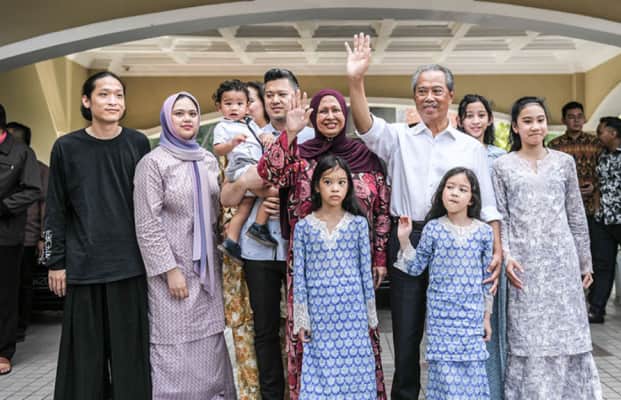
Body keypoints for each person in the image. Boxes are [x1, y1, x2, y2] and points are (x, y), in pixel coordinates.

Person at [345, 33, 502, 399]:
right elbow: (366, 125)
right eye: (422, 91)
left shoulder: (470, 147)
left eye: (437, 91)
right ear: (414, 97)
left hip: (457, 244)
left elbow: (488, 204)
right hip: (408, 237)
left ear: (451, 96)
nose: (429, 97)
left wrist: (497, 248)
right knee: (406, 331)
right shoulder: (398, 137)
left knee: (454, 329)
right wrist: (356, 80)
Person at [257, 88, 389, 399]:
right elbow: (269, 173)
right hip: (310, 265)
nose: (330, 116)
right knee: (309, 336)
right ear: (313, 117)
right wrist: (290, 132)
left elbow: (382, 209)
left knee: (358, 340)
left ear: (346, 115)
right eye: (323, 111)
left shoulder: (366, 156)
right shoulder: (299, 156)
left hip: (354, 266)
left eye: (336, 110)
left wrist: (380, 257)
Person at [44, 72, 152, 399]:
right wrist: (55, 262)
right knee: (85, 359)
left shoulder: (138, 143)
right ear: (86, 101)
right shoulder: (66, 147)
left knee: (130, 357)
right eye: (104, 94)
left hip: (130, 266)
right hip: (83, 265)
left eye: (118, 95)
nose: (113, 101)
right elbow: (55, 207)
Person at [492, 96, 602, 399]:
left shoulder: (564, 163)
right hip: (523, 265)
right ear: (515, 127)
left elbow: (576, 214)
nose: (535, 126)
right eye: (527, 121)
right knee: (528, 334)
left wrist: (584, 261)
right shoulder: (502, 166)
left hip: (561, 261)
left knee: (567, 331)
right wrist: (507, 256)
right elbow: (501, 217)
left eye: (540, 120)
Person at [134, 91, 236, 399]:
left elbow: (218, 212)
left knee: (211, 344)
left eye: (192, 113)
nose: (187, 119)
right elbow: (146, 223)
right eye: (179, 114)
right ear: (167, 119)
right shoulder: (153, 163)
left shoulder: (207, 160)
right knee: (173, 348)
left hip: (207, 272)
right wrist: (169, 270)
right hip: (172, 271)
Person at [219, 68, 310, 400]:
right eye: (269, 94)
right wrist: (250, 182)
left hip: (301, 251)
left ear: (296, 96)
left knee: (305, 327)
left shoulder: (312, 138)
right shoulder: (250, 137)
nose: (274, 100)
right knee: (265, 330)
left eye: (282, 94)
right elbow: (231, 194)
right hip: (258, 251)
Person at [395, 167, 493, 399]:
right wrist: (404, 239)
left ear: (472, 198)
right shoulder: (433, 228)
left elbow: (487, 279)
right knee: (443, 376)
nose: (454, 193)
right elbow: (415, 267)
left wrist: (486, 317)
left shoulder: (484, 232)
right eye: (450, 187)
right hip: (441, 318)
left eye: (462, 189)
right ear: (441, 192)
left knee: (472, 374)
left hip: (471, 317)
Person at [293, 154, 378, 399]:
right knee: (320, 376)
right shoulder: (304, 227)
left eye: (341, 182)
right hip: (319, 316)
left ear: (349, 186)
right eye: (328, 182)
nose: (335, 188)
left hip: (353, 314)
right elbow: (299, 276)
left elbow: (365, 272)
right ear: (316, 186)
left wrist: (370, 314)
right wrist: (302, 318)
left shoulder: (358, 224)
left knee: (355, 374)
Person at [456, 94, 506, 399]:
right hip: (460, 247)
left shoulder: (500, 158)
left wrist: (501, 247)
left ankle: (493, 390)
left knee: (492, 321)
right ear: (460, 120)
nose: (475, 121)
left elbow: (502, 207)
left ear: (489, 120)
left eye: (481, 115)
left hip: (492, 246)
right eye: (469, 115)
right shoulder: (454, 152)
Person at [212, 79, 277, 262]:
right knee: (274, 191)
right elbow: (218, 149)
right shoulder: (223, 126)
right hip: (242, 166)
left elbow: (261, 135)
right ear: (219, 107)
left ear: (247, 106)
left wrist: (266, 136)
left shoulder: (249, 123)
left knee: (246, 205)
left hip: (253, 166)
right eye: (228, 103)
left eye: (239, 104)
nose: (234, 108)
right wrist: (232, 143)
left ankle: (231, 241)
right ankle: (258, 226)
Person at [0, 105, 41, 376]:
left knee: (4, 295)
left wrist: (3, 207)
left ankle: (3, 351)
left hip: (6, 236)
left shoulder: (21, 152)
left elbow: (33, 190)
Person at [7, 121, 50, 343]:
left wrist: (43, 236)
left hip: (27, 238)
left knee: (22, 283)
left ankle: (19, 327)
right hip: (5, 236)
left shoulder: (41, 171)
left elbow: (47, 206)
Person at [588, 116, 621, 323]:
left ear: (613, 133)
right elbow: (600, 184)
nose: (598, 136)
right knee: (602, 265)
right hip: (603, 220)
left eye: (601, 132)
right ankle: (597, 310)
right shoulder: (602, 156)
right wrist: (597, 208)